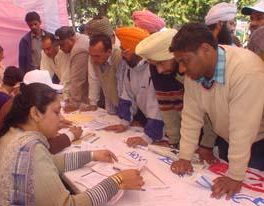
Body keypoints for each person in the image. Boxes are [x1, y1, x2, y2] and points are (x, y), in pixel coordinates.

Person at [0, 82, 144, 206]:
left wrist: (92, 155)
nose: (60, 119)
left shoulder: (14, 134)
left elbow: (49, 163)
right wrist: (118, 181)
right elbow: (68, 204)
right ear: (35, 113)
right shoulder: (30, 149)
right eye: (56, 112)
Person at [169, 23, 264, 199]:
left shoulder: (246, 71)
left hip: (257, 144)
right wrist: (184, 156)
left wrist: (235, 176)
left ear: (205, 49)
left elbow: (242, 129)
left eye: (185, 61)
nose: (181, 69)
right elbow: (191, 117)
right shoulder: (195, 72)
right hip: (230, 140)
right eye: (178, 62)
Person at [135, 29, 219, 163]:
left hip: (208, 134)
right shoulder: (157, 69)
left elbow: (209, 112)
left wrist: (206, 145)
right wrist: (173, 142)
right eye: (155, 65)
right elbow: (167, 108)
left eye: (161, 63)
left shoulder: (195, 68)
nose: (159, 70)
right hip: (186, 135)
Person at [0, 70, 81, 156]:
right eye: (56, 112)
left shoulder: (21, 104)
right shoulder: (27, 141)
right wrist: (70, 136)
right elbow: (41, 150)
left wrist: (55, 124)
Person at [104, 27, 165, 146]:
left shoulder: (153, 69)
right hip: (149, 123)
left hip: (164, 128)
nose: (122, 54)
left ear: (136, 50)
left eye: (125, 50)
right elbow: (126, 96)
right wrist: (124, 122)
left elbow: (156, 108)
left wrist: (147, 138)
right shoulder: (128, 68)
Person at [83, 34, 122, 113]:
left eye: (97, 56)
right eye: (91, 55)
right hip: (115, 104)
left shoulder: (118, 57)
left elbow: (126, 90)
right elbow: (98, 83)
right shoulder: (94, 58)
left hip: (129, 107)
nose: (93, 60)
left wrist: (128, 114)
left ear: (109, 52)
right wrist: (93, 103)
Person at [55, 26, 90, 108]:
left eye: (62, 45)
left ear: (70, 39)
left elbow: (77, 80)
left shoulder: (78, 49)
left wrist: (74, 103)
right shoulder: (81, 39)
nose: (61, 48)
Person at [40, 33, 70, 98]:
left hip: (75, 88)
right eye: (43, 49)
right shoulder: (44, 54)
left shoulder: (64, 53)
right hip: (63, 88)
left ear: (56, 45)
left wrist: (65, 99)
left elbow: (66, 79)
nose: (46, 52)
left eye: (48, 48)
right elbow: (45, 75)